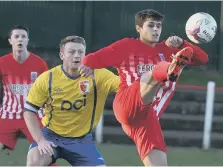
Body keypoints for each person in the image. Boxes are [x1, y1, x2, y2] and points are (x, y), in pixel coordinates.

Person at [79, 9, 209, 166]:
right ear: (139, 28)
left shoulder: (167, 49)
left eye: (159, 26)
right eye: (151, 25)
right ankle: (169, 70)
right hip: (126, 103)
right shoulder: (126, 46)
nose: (156, 29)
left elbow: (202, 59)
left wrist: (183, 43)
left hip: (148, 118)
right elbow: (92, 58)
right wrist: (86, 66)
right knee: (150, 75)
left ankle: (170, 69)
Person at [24, 35, 119, 166]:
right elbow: (29, 111)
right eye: (71, 52)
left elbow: (124, 88)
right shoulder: (48, 78)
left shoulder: (99, 75)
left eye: (80, 52)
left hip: (82, 140)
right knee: (34, 161)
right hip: (51, 135)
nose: (77, 56)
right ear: (62, 55)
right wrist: (40, 140)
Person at [0, 25, 49, 155]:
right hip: (8, 114)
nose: (20, 39)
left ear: (27, 40)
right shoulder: (2, 63)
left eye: (23, 37)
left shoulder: (39, 63)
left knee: (44, 152)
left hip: (34, 114)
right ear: (10, 41)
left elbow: (48, 89)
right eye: (16, 36)